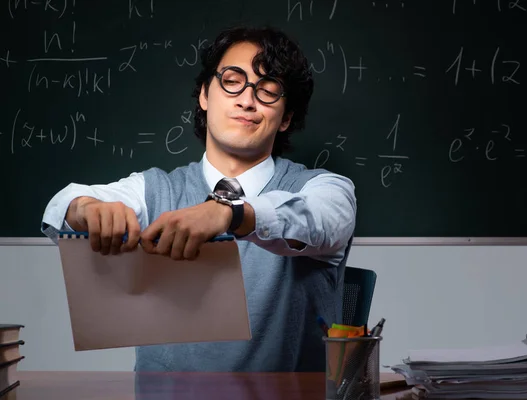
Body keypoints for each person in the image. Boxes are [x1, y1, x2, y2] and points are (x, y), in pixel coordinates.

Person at [41, 25, 357, 372]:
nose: (247, 100)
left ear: (286, 118)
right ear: (205, 95)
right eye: (232, 81)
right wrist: (84, 209)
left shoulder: (324, 188)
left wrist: (230, 214)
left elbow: (324, 218)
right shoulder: (154, 190)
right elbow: (64, 206)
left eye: (268, 91)